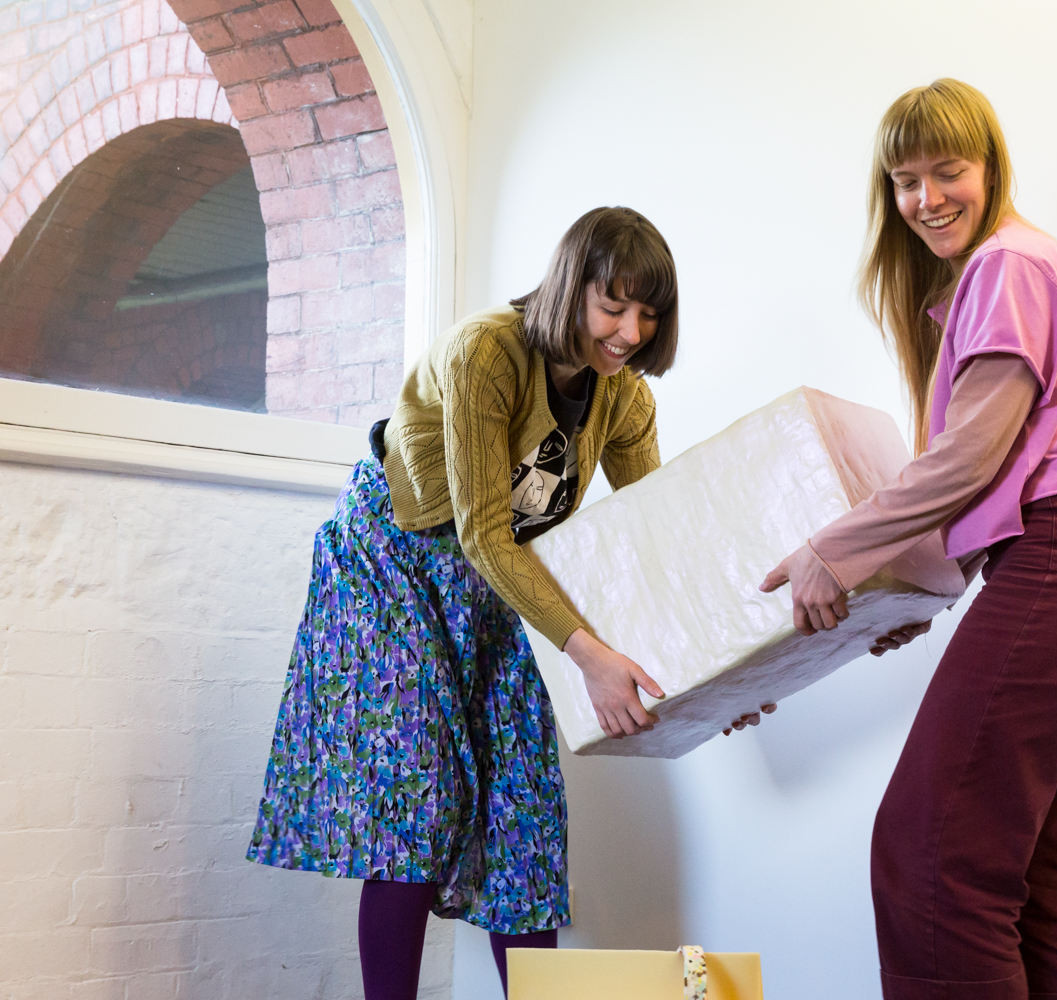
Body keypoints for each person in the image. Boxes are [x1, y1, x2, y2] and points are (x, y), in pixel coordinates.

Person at [247, 206, 765, 1000]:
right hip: (398, 564)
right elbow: (485, 531)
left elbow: (653, 542)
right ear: (571, 289)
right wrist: (588, 653)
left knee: (526, 809)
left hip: (501, 585)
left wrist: (723, 674)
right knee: (418, 799)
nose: (628, 331)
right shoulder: (486, 350)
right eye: (612, 305)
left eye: (648, 313)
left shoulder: (623, 399)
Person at [762, 80, 1057, 1000]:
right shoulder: (1006, 272)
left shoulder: (1009, 265)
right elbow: (995, 475)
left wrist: (838, 551)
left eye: (949, 170)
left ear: (991, 167)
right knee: (1041, 883)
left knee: (930, 858)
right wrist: (910, 591)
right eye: (906, 179)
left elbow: (971, 457)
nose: (927, 197)